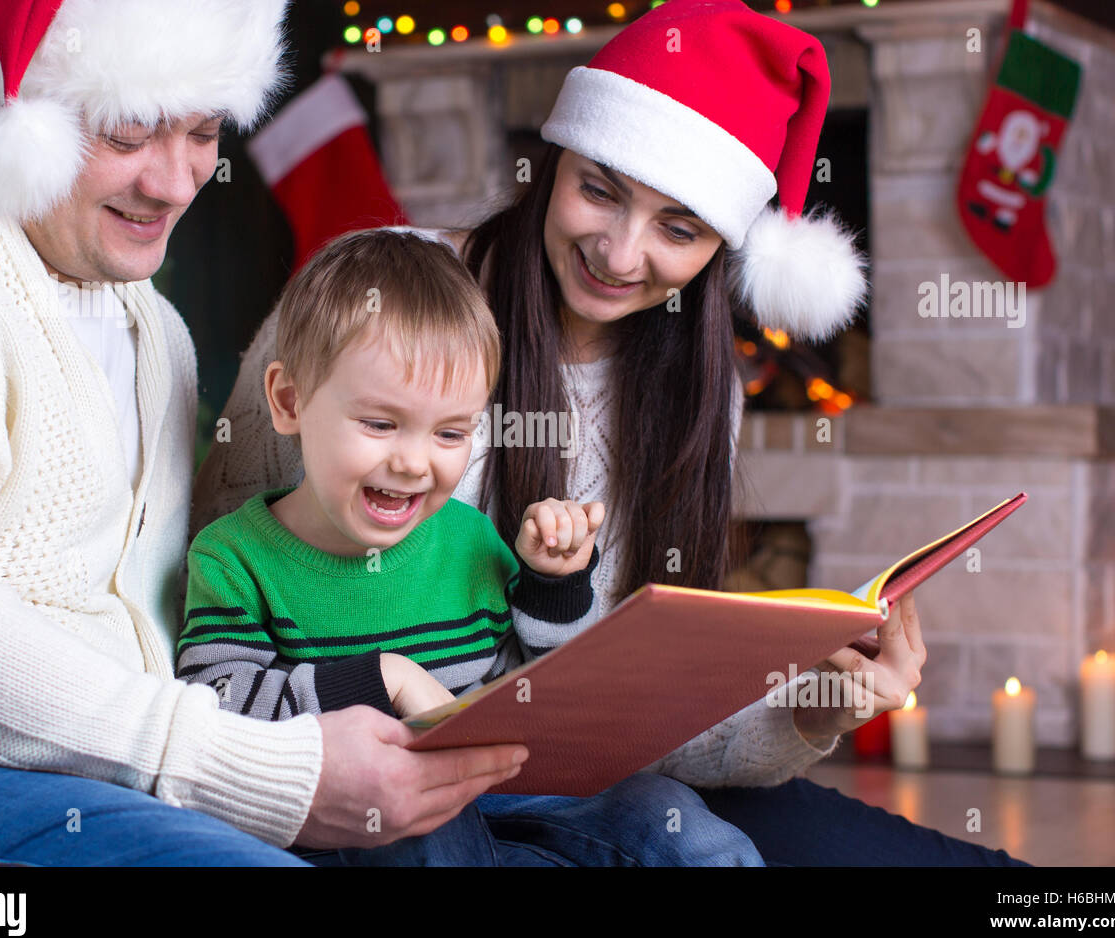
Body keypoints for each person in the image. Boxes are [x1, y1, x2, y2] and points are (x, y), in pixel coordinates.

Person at [193, 0, 1029, 865]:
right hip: (360, 782)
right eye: (599, 190)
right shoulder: (380, 309)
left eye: (679, 227)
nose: (622, 256)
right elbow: (214, 588)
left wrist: (814, 702)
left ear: (722, 247)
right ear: (552, 163)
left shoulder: (700, 393)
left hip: (578, 784)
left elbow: (627, 725)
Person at [0, 0, 528, 867]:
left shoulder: (159, 332)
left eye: (203, 131)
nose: (177, 182)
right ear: (7, 115)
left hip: (135, 774)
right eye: (130, 131)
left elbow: (228, 570)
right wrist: (241, 766)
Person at [179, 226, 765, 866]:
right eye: (379, 424)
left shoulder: (467, 537)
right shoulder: (234, 558)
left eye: (450, 434)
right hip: (365, 808)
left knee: (666, 819)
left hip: (501, 791)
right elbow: (219, 710)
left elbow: (532, 682)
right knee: (417, 828)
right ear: (289, 401)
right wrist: (382, 679)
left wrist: (553, 583)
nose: (412, 463)